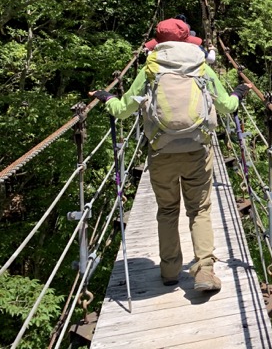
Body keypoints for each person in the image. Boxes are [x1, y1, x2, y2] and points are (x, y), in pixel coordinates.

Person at [90, 18, 250, 292]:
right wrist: (237, 93)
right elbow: (226, 107)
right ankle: (205, 271)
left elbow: (122, 110)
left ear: (159, 43)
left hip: (161, 151)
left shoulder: (150, 70)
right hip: (198, 151)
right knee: (199, 209)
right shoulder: (202, 68)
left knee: (167, 210)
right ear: (188, 40)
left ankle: (169, 271)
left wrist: (107, 98)